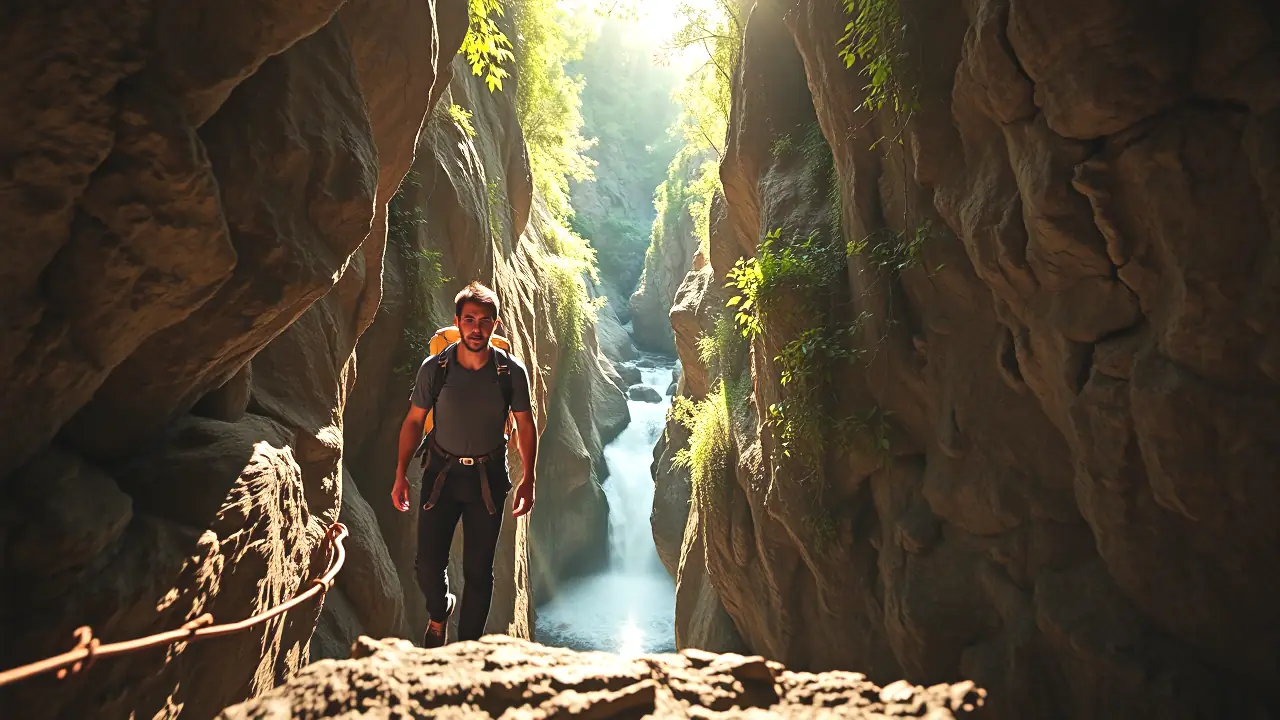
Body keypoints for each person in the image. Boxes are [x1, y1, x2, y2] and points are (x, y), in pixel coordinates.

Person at [392, 281, 537, 648]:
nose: (476, 328)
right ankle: (440, 612)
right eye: (469, 319)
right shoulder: (435, 369)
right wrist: (400, 474)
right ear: (457, 321)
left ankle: (468, 648)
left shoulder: (510, 372)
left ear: (496, 324)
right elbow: (413, 420)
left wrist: (529, 477)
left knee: (479, 572)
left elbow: (524, 423)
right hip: (442, 473)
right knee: (427, 565)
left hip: (487, 479)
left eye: (484, 321)